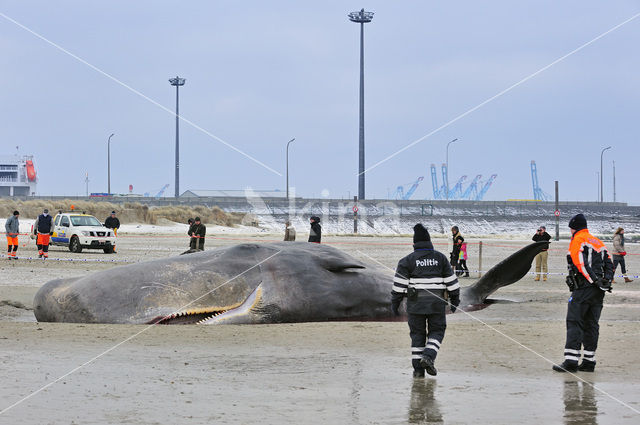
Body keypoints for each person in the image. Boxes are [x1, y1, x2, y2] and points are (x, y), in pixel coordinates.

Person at [391, 224, 460, 377]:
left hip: (415, 306)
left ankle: (417, 371)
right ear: (430, 242)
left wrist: (394, 305)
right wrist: (455, 300)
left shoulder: (406, 261)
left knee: (417, 335)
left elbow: (398, 287)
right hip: (436, 305)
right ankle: (428, 356)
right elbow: (452, 282)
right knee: (437, 331)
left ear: (414, 244)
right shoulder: (440, 258)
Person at [552, 214, 613, 373]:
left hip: (584, 287)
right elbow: (609, 263)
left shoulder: (577, 240)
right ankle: (589, 360)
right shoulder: (598, 242)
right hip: (599, 291)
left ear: (574, 227)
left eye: (571, 227)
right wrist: (606, 281)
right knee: (591, 324)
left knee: (574, 321)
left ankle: (571, 360)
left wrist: (593, 280)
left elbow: (581, 263)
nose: (570, 230)